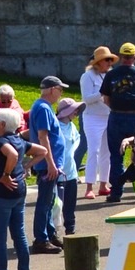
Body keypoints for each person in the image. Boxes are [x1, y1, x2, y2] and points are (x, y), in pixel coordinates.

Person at [0, 109, 39, 270]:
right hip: (19, 192)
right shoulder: (20, 140)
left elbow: (12, 155)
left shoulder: (2, 141)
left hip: (3, 194)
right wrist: (26, 167)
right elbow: (43, 151)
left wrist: (6, 174)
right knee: (19, 233)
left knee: (0, 237)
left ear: (2, 124)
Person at [99, 42, 135, 194]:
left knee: (116, 156)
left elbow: (106, 98)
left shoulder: (111, 75)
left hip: (116, 116)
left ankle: (116, 191)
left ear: (121, 56)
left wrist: (116, 109)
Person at [26, 76, 67, 253]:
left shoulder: (42, 107)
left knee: (50, 201)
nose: (61, 93)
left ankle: (49, 234)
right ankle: (41, 239)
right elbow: (43, 137)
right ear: (51, 89)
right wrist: (50, 163)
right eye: (60, 89)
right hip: (47, 164)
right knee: (45, 201)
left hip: (50, 164)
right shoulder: (43, 108)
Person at [79, 46, 117, 198]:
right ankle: (89, 186)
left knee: (106, 152)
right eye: (106, 60)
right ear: (99, 62)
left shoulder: (110, 75)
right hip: (93, 117)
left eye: (110, 60)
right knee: (93, 151)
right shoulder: (87, 76)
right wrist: (102, 93)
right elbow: (87, 99)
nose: (109, 63)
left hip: (108, 115)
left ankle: (103, 184)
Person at [53, 99, 82, 237]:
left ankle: (70, 227)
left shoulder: (72, 127)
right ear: (65, 112)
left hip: (71, 173)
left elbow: (76, 140)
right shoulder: (55, 127)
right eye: (74, 110)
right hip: (58, 173)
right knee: (56, 205)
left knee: (70, 204)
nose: (76, 113)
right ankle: (53, 231)